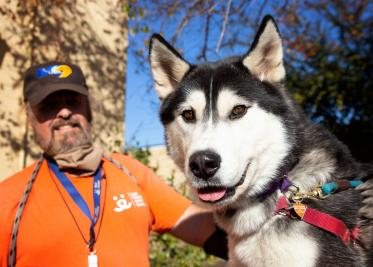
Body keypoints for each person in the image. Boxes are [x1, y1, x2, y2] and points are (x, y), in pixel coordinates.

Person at [0, 62, 227, 267]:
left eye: (73, 101)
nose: (65, 112)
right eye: (49, 105)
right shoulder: (8, 199)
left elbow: (201, 227)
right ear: (29, 117)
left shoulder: (129, 171)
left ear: (88, 110)